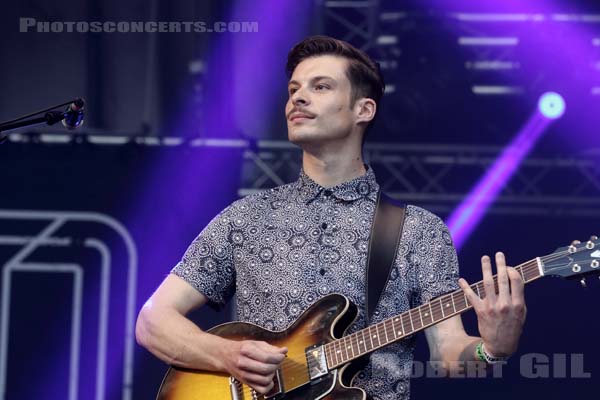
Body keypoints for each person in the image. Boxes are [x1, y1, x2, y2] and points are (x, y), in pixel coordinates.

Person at [135, 35, 527, 399]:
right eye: (294, 89)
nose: (298, 98)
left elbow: (448, 355)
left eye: (319, 87)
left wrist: (492, 348)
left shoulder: (419, 231)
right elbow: (153, 322)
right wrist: (226, 356)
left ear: (364, 109)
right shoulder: (245, 218)